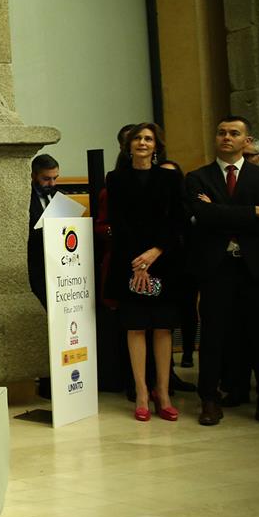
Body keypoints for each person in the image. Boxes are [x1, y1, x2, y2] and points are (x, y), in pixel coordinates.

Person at [185, 115, 259, 428]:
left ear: (246, 141)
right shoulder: (198, 178)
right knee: (213, 337)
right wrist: (254, 212)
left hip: (257, 268)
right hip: (217, 268)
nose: (226, 137)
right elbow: (203, 216)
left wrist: (219, 212)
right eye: (221, 132)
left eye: (234, 133)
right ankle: (209, 400)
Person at [105, 123, 187, 421]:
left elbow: (178, 221)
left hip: (164, 261)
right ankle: (141, 392)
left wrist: (154, 253)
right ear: (128, 145)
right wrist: (138, 263)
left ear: (156, 146)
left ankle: (162, 393)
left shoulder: (169, 178)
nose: (142, 142)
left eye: (148, 139)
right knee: (136, 326)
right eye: (137, 138)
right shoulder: (115, 179)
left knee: (163, 328)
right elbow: (118, 222)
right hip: (129, 261)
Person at [158, 160, 199, 373]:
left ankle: (188, 352)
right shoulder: (152, 200)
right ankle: (167, 360)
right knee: (165, 313)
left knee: (188, 308)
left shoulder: (187, 201)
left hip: (186, 262)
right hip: (161, 265)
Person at [27, 154, 60, 309]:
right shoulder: (25, 197)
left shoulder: (56, 195)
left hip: (57, 263)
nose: (52, 183)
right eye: (46, 179)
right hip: (36, 262)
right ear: (34, 175)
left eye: (55, 178)